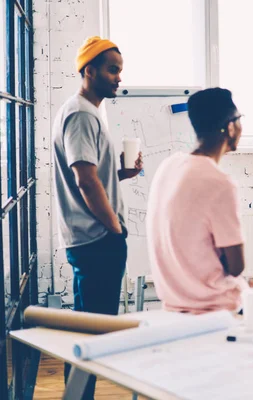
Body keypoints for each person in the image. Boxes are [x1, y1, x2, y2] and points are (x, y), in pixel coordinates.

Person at [146, 88, 253, 325]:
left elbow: (198, 256)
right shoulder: (219, 182)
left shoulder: (168, 166)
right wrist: (243, 284)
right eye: (239, 119)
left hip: (173, 299)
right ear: (230, 127)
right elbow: (235, 267)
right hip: (209, 306)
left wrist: (246, 284)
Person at [51, 36, 142, 398]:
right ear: (88, 70)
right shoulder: (82, 114)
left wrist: (120, 175)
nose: (119, 77)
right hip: (96, 240)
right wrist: (115, 228)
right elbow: (85, 181)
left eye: (120, 70)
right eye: (112, 70)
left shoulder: (85, 111)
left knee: (86, 328)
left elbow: (94, 177)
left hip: (90, 238)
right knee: (92, 333)